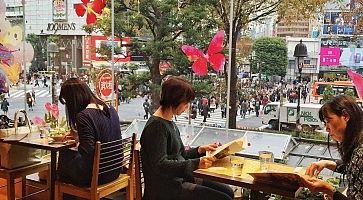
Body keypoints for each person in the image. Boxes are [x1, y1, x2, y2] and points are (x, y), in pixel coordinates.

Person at [140, 76, 234, 200]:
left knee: (227, 191)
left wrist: (199, 150)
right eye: (186, 102)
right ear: (175, 100)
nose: (187, 106)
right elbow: (160, 165)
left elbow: (180, 155)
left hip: (178, 179)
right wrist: (197, 163)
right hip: (166, 189)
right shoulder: (156, 126)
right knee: (224, 198)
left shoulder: (168, 121)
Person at [57, 78, 123, 192]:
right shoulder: (110, 109)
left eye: (67, 101)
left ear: (73, 99)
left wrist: (76, 143)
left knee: (63, 158)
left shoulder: (84, 116)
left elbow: (87, 154)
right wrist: (79, 137)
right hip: (115, 169)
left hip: (98, 175)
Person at [300, 95, 363, 199]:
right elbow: (353, 169)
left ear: (345, 116)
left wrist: (328, 190)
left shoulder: (361, 152)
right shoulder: (358, 145)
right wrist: (326, 163)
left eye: (328, 121)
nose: (326, 128)